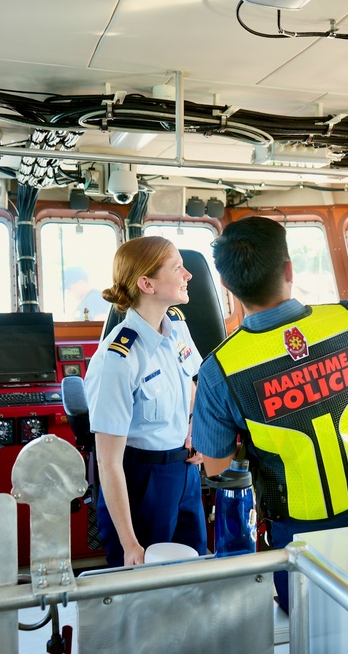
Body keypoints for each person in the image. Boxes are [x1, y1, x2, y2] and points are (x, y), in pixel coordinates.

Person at [191, 175, 348, 612]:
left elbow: (217, 465)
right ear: (288, 270)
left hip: (299, 530)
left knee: (312, 626)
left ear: (228, 286)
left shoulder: (219, 370)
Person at [83, 236, 206, 567]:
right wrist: (129, 544)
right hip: (142, 483)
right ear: (147, 284)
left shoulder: (177, 329)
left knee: (194, 575)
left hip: (185, 476)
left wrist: (194, 425)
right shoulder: (118, 359)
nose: (188, 275)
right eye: (177, 268)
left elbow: (193, 384)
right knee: (144, 595)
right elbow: (108, 463)